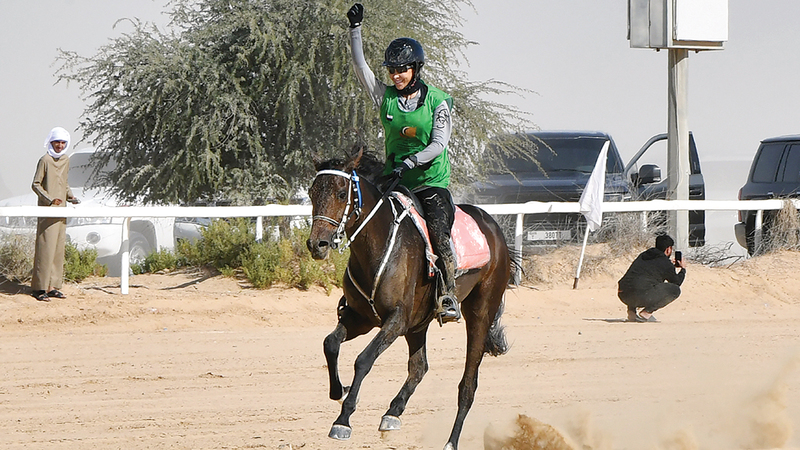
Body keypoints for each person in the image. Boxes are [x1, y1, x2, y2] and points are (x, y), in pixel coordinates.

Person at [346, 3, 460, 323]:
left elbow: (439, 144)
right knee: (365, 221)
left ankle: (448, 293)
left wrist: (411, 162)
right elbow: (360, 68)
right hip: (395, 177)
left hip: (430, 182)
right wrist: (355, 30)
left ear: (416, 68)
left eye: (403, 69)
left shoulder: (438, 101)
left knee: (438, 232)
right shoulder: (386, 98)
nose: (396, 75)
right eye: (392, 70)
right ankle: (357, 292)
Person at [31, 127, 80, 302]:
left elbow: (63, 182)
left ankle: (53, 287)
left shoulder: (65, 160)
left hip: (62, 210)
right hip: (48, 210)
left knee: (58, 249)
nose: (59, 146)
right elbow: (36, 184)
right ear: (50, 142)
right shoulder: (45, 159)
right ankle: (39, 288)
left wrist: (70, 196)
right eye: (56, 142)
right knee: (46, 248)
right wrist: (50, 200)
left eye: (62, 142)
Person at [618, 234, 686, 322]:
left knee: (637, 281)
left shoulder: (643, 255)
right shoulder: (665, 262)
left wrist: (669, 265)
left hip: (623, 294)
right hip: (641, 295)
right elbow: (676, 282)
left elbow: (642, 274)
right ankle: (647, 313)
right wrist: (683, 269)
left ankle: (632, 312)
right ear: (668, 249)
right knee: (675, 290)